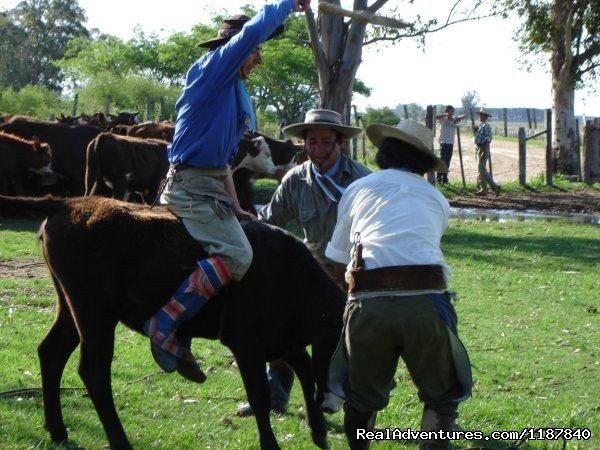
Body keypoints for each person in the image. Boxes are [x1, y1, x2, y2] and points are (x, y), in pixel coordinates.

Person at [142, 0, 311, 383]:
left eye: (258, 54)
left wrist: (237, 207)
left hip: (211, 186)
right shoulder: (213, 70)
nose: (257, 59)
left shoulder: (234, 90)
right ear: (237, 47)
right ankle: (164, 324)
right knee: (237, 255)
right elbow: (252, 31)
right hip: (189, 188)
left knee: (248, 237)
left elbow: (222, 163)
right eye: (254, 51)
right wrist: (287, 4)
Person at [325, 119, 472, 450]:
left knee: (361, 397)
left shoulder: (357, 189)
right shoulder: (436, 199)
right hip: (427, 303)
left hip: (368, 302)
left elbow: (335, 260)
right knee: (441, 396)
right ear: (423, 162)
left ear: (384, 153)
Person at [235, 108, 371, 417]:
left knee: (346, 339)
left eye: (326, 142)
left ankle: (337, 395)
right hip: (310, 272)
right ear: (304, 144)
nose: (318, 150)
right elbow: (270, 220)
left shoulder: (363, 181)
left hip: (353, 273)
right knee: (277, 328)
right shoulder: (296, 178)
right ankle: (274, 396)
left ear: (340, 143)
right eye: (312, 143)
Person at [435, 105, 466, 184]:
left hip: (450, 143)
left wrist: (457, 117)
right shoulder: (443, 119)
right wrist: (446, 115)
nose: (451, 113)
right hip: (443, 143)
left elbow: (462, 116)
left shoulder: (454, 120)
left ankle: (445, 179)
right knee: (442, 161)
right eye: (449, 111)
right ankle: (438, 178)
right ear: (446, 112)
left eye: (452, 111)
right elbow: (436, 116)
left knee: (447, 161)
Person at [473, 108, 500, 196]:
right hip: (479, 148)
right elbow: (478, 137)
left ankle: (494, 186)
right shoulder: (480, 125)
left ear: (486, 117)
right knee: (480, 169)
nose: (481, 116)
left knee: (481, 168)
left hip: (483, 148)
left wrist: (484, 150)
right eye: (480, 115)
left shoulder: (486, 126)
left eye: (483, 115)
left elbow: (488, 140)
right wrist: (475, 131)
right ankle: (484, 189)